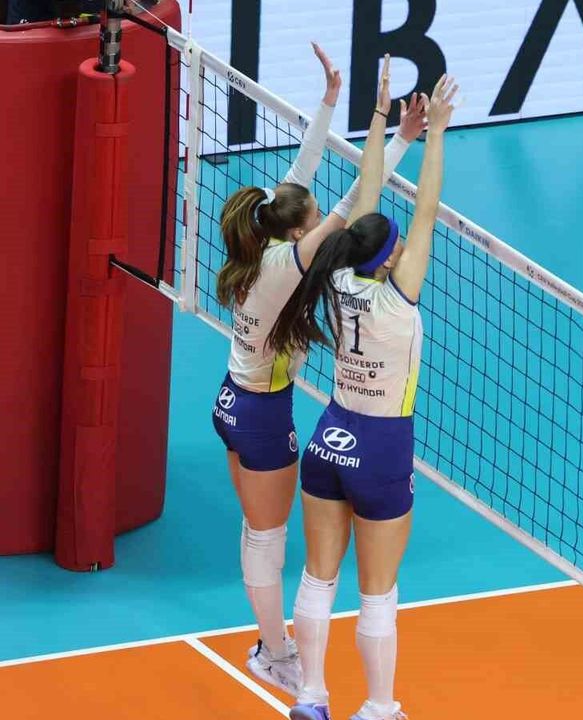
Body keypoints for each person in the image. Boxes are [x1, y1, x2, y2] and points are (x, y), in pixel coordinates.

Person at [210, 45, 427, 695]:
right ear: (300, 232)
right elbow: (358, 204)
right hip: (260, 414)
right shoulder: (288, 264)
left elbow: (301, 173)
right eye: (313, 220)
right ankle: (275, 653)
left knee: (257, 530)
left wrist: (331, 101)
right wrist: (403, 139)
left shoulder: (265, 234)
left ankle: (273, 647)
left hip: (232, 399)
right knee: (268, 536)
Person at [265, 67, 458, 720]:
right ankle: (378, 707)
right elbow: (426, 208)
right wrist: (436, 136)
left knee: (318, 576)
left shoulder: (338, 276)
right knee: (377, 592)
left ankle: (311, 697)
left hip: (331, 437)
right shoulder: (400, 296)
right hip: (380, 446)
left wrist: (379, 119)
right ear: (394, 257)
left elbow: (367, 198)